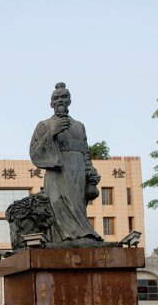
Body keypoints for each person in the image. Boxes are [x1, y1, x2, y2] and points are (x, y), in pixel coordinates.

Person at [29, 82, 103, 244]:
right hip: (57, 172)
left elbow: (85, 152)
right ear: (51, 103)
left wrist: (90, 172)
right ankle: (64, 238)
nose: (60, 101)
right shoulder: (44, 125)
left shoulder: (79, 126)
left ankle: (82, 236)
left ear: (69, 100)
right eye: (56, 98)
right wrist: (52, 133)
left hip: (78, 171)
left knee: (77, 206)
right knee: (59, 204)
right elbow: (34, 152)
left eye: (63, 97)